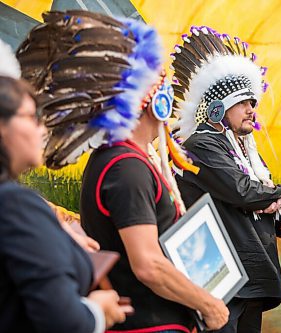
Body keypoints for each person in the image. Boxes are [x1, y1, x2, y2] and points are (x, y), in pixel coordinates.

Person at [16, 11, 228, 333]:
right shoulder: (125, 167)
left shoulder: (128, 160)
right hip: (147, 326)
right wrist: (208, 304)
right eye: (164, 81)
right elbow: (148, 265)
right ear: (152, 98)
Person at [170, 26, 281, 333]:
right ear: (217, 108)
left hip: (250, 274)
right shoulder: (202, 143)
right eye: (243, 103)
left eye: (253, 103)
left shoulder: (243, 147)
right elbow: (242, 191)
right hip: (222, 278)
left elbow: (258, 195)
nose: (252, 110)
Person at [0, 75, 129, 333]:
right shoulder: (13, 204)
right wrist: (97, 311)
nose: (43, 129)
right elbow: (65, 321)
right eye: (32, 117)